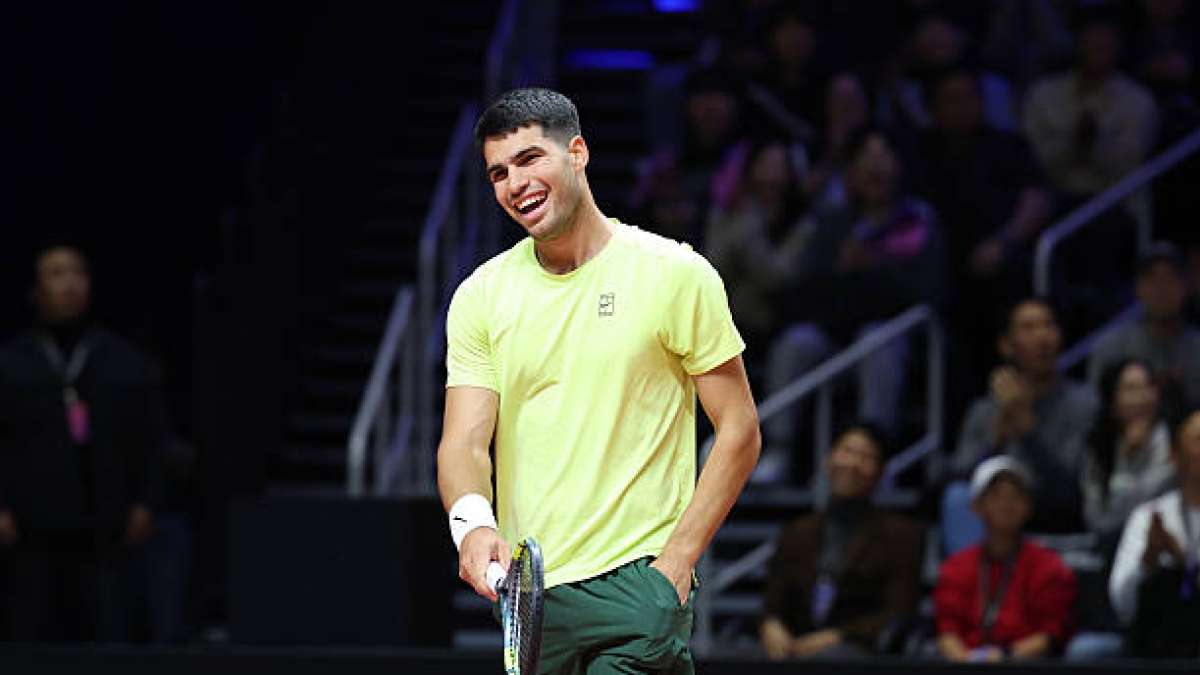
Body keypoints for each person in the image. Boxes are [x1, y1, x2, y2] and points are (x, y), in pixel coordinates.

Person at [437, 88, 761, 674]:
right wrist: (472, 527)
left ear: (578, 153)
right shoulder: (481, 296)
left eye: (532, 159)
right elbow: (463, 441)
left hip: (637, 583)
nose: (516, 183)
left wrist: (677, 564)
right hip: (529, 595)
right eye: (498, 172)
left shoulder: (675, 273)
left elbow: (739, 427)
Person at [754, 124, 946, 484]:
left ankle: (876, 455)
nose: (877, 168)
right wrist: (841, 271)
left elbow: (930, 292)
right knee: (798, 342)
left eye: (885, 157)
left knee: (877, 340)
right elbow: (802, 293)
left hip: (894, 341)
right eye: (867, 158)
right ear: (852, 171)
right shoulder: (832, 224)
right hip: (836, 339)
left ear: (900, 167)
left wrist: (875, 269)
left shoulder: (918, 222)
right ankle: (778, 450)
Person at [0, 244, 172, 643]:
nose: (70, 284)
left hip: (105, 530)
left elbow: (151, 439)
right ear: (35, 290)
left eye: (78, 273)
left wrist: (147, 501)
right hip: (31, 533)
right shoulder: (10, 363)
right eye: (56, 275)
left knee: (108, 634)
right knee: (29, 636)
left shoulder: (121, 360)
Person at [941, 297, 1097, 553]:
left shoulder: (1084, 404)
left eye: (1049, 325)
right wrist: (995, 441)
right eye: (1028, 327)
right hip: (994, 512)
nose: (1042, 337)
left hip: (1053, 511)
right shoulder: (985, 410)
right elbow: (961, 479)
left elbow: (1072, 489)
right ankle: (969, 586)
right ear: (1006, 345)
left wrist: (1028, 432)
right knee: (957, 498)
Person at [759, 420, 924, 660]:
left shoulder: (902, 534)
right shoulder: (797, 531)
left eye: (866, 456)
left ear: (880, 472)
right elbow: (772, 602)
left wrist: (838, 636)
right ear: (829, 459)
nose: (853, 463)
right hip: (793, 646)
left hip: (859, 649)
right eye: (847, 451)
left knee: (835, 657)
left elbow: (899, 611)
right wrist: (771, 626)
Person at [933, 456, 1077, 662]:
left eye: (1016, 495)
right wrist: (964, 662)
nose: (1006, 504)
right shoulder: (955, 567)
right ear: (977, 506)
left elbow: (1049, 636)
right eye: (995, 495)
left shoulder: (1049, 565)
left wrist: (1005, 659)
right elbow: (947, 632)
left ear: (1028, 507)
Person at [1108, 407, 1200, 658]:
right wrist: (1148, 560)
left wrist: (1183, 563)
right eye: (1198, 440)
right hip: (1158, 642)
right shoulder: (1149, 516)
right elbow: (1122, 605)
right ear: (1174, 455)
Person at [1086, 240, 1200, 423]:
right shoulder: (1110, 348)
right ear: (1138, 287)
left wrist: (1179, 396)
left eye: (1170, 278)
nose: (1161, 288)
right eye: (1151, 279)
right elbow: (1096, 415)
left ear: (1186, 285)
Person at [1081, 358, 1178, 545]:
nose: (1142, 398)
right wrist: (1125, 461)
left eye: (1149, 387)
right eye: (1131, 389)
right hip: (1113, 546)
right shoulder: (1098, 446)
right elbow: (1098, 521)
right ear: (1112, 401)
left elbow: (1151, 504)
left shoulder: (1176, 441)